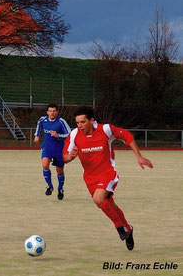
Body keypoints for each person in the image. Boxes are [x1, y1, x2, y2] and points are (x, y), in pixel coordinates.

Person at [63, 106, 153, 250]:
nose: (80, 126)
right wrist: (71, 156)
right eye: (77, 123)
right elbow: (65, 157)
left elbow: (127, 136)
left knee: (98, 198)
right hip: (90, 178)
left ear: (92, 120)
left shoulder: (106, 130)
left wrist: (139, 156)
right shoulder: (74, 135)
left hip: (107, 173)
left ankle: (119, 227)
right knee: (110, 205)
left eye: (83, 122)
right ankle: (128, 229)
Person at [34, 103, 71, 200]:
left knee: (59, 171)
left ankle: (60, 188)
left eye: (54, 111)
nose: (52, 113)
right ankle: (50, 186)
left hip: (59, 149)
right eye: (50, 111)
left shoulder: (61, 122)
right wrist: (37, 135)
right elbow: (39, 125)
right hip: (47, 147)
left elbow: (69, 135)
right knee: (45, 165)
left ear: (57, 112)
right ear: (47, 112)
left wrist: (58, 135)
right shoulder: (43, 120)